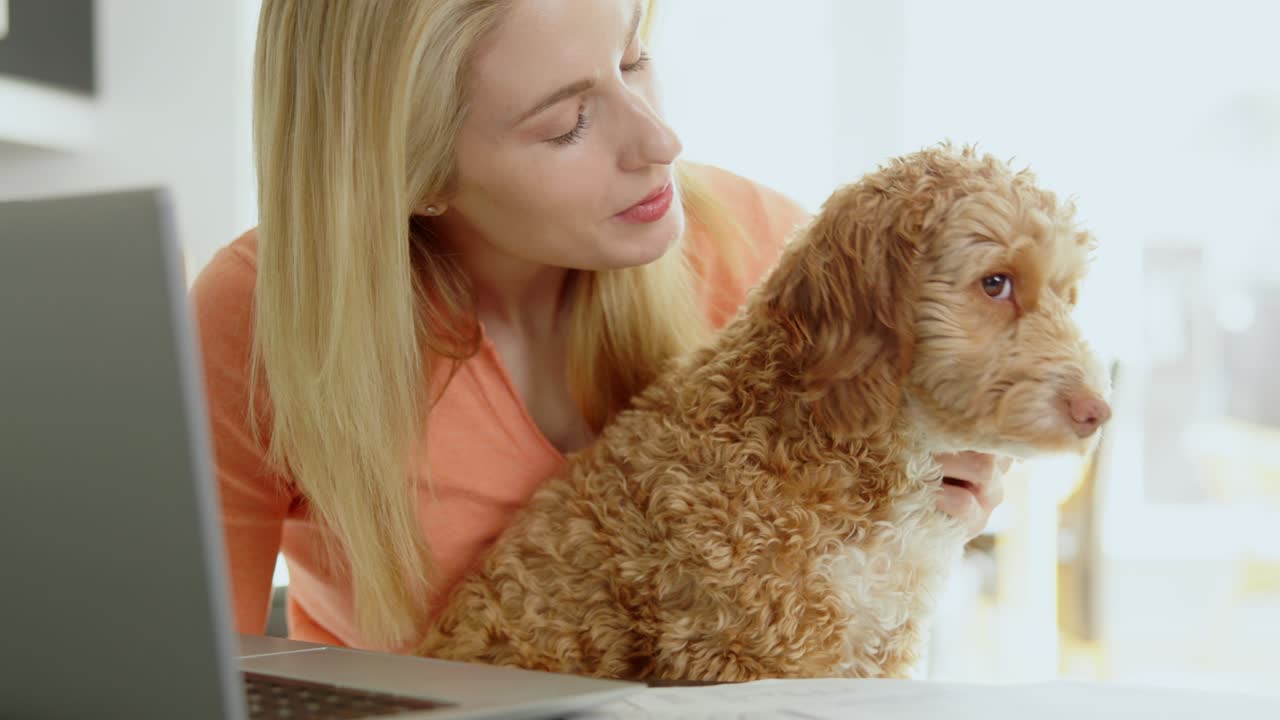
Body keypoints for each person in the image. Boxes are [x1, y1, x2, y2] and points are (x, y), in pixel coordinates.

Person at [191, 0, 1008, 655]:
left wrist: (943, 494)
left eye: (632, 58)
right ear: (416, 174)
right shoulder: (260, 319)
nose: (659, 140)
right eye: (565, 124)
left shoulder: (771, 258)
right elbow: (179, 683)